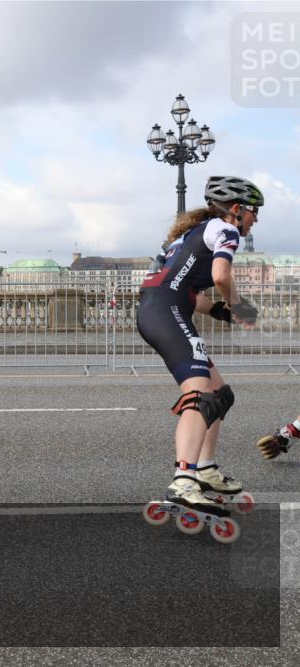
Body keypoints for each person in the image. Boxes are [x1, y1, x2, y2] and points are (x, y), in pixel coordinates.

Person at [138, 176, 262, 529]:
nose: (255, 219)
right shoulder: (226, 229)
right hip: (166, 313)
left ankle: (204, 470)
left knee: (219, 394)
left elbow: (181, 287)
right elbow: (221, 275)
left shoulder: (189, 235)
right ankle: (184, 480)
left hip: (161, 309)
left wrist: (219, 312)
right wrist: (238, 305)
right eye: (254, 211)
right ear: (237, 209)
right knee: (198, 396)